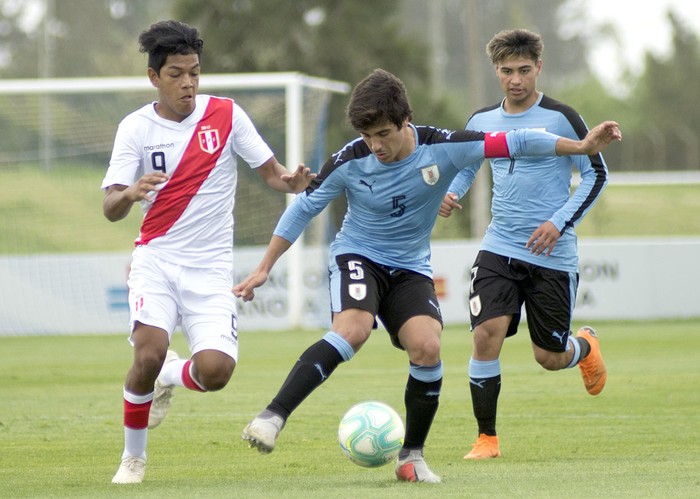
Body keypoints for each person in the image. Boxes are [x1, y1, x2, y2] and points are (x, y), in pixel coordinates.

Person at [233, 68, 620, 483]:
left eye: (383, 133)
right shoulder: (350, 160)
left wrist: (578, 147)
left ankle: (411, 458)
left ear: (405, 121)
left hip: (411, 267)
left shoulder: (445, 147)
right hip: (358, 255)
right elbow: (303, 209)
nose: (375, 145)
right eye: (367, 136)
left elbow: (520, 141)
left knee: (428, 346)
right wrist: (263, 268)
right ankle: (273, 416)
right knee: (353, 330)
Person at [102, 20, 315, 485]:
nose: (188, 84)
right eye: (176, 74)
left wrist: (294, 183)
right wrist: (131, 192)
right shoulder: (135, 128)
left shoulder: (227, 115)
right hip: (155, 261)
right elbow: (110, 207)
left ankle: (169, 377)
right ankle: (132, 458)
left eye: (195, 72)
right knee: (148, 352)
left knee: (216, 372)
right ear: (154, 77)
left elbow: (273, 175)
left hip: (210, 268)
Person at [439, 29, 610, 461]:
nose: (515, 79)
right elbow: (466, 162)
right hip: (500, 246)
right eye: (506, 71)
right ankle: (487, 439)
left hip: (552, 253)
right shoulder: (481, 121)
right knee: (485, 337)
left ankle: (584, 346)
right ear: (496, 71)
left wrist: (558, 222)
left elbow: (596, 174)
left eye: (523, 70)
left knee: (548, 357)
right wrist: (451, 191)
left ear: (538, 67)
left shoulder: (561, 117)